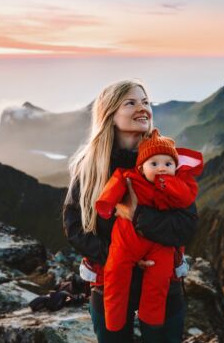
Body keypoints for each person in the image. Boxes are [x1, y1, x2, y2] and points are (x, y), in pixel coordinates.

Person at [63, 79, 199, 343]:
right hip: (108, 282)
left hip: (163, 284)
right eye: (131, 102)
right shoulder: (89, 168)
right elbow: (74, 227)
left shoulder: (165, 161)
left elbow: (187, 225)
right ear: (110, 114)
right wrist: (120, 256)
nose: (143, 108)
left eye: (146, 102)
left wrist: (138, 215)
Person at [95, 128, 203, 331]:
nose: (162, 169)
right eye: (154, 164)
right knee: (116, 273)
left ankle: (151, 321)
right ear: (141, 167)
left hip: (159, 245)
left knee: (159, 281)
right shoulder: (129, 178)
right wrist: (107, 204)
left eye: (168, 164)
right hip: (127, 240)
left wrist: (167, 184)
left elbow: (186, 202)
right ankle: (114, 321)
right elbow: (114, 186)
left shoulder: (177, 183)